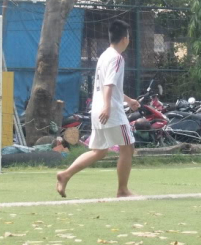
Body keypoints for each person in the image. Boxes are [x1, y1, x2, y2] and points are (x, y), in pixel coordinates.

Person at [56, 20, 140, 198]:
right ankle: (122, 190)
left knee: (99, 151)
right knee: (128, 148)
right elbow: (108, 84)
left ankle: (65, 174)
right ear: (125, 39)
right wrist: (108, 107)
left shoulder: (104, 56)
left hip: (98, 109)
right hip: (110, 111)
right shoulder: (117, 58)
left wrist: (128, 99)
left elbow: (108, 86)